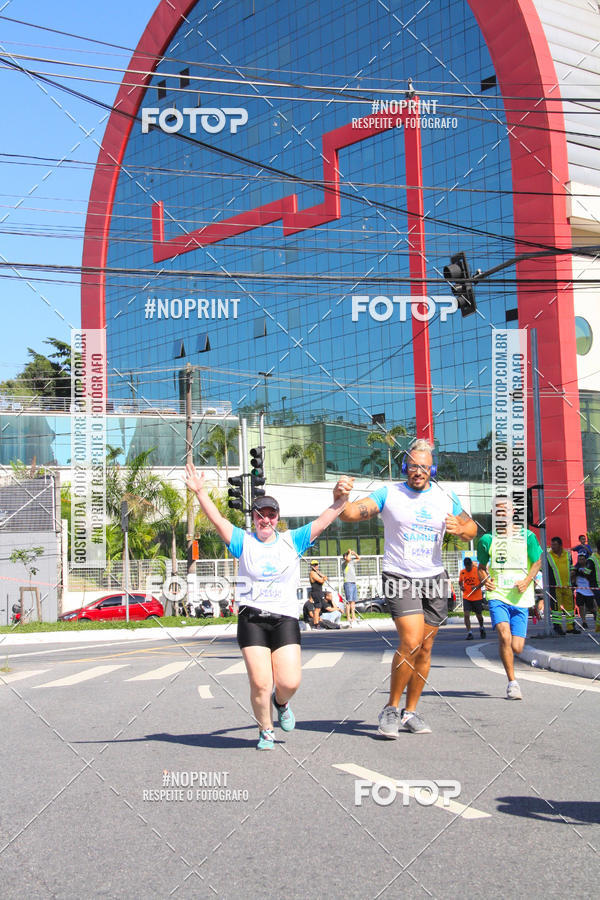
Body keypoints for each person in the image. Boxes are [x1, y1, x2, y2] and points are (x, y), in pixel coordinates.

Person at [184, 463, 353, 750]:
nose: (265, 519)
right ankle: (266, 730)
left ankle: (281, 703)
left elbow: (326, 518)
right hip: (252, 620)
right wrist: (200, 493)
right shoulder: (242, 541)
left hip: (284, 619)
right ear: (253, 517)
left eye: (271, 515)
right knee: (261, 682)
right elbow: (217, 520)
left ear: (278, 519)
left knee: (289, 682)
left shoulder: (293, 540)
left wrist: (341, 497)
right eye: (260, 514)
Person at [340, 438, 477, 736]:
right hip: (399, 575)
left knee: (426, 649)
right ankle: (390, 708)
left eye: (424, 467)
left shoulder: (446, 496)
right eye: (413, 466)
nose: (418, 471)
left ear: (433, 469)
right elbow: (350, 514)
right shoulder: (389, 493)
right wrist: (340, 497)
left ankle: (410, 712)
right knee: (412, 641)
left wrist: (461, 529)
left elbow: (472, 528)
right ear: (405, 466)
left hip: (435, 577)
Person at [477, 502, 542, 700]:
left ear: (513, 513)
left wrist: (527, 580)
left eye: (505, 510)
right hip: (497, 595)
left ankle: (512, 666)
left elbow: (537, 562)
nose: (501, 514)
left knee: (517, 647)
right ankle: (512, 683)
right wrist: (485, 580)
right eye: (497, 511)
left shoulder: (528, 537)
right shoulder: (487, 539)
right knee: (504, 636)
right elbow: (481, 566)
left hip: (521, 597)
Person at [547, 537, 574, 634]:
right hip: (555, 587)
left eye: (555, 545)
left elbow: (571, 567)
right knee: (556, 608)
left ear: (560, 545)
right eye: (552, 544)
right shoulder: (548, 556)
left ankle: (571, 627)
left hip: (567, 585)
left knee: (570, 607)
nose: (553, 547)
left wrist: (572, 575)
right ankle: (557, 627)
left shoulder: (567, 554)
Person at [459, 557, 486, 640]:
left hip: (477, 597)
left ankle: (481, 627)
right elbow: (460, 581)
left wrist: (477, 587)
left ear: (471, 564)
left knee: (479, 616)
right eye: (466, 567)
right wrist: (461, 587)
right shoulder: (462, 572)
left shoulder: (477, 571)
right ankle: (469, 632)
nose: (468, 568)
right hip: (467, 596)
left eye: (469, 566)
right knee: (466, 615)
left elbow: (483, 581)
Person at [572, 552, 597, 630]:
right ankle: (584, 622)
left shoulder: (589, 566)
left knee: (591, 607)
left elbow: (587, 574)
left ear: (586, 559)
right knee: (581, 606)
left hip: (588, 590)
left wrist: (580, 572)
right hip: (580, 589)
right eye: (579, 559)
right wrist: (573, 582)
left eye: (582, 559)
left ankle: (595, 614)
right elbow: (572, 575)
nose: (581, 561)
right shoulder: (576, 567)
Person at [342, 549, 360, 627]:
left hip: (353, 582)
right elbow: (348, 559)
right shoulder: (344, 563)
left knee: (353, 601)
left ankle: (353, 616)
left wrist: (354, 553)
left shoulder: (351, 563)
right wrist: (349, 552)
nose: (349, 556)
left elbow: (358, 558)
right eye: (347, 555)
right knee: (348, 601)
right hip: (348, 583)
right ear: (344, 557)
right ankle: (348, 617)